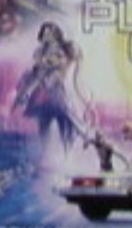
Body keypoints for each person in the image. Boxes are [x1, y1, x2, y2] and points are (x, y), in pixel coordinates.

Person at [12, 22, 85, 159]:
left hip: (59, 93)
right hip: (43, 95)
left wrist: (51, 64)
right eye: (45, 33)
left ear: (56, 35)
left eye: (50, 33)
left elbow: (62, 64)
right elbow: (37, 68)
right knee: (43, 126)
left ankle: (68, 155)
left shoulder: (61, 51)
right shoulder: (40, 51)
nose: (47, 36)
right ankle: (45, 155)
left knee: (67, 125)